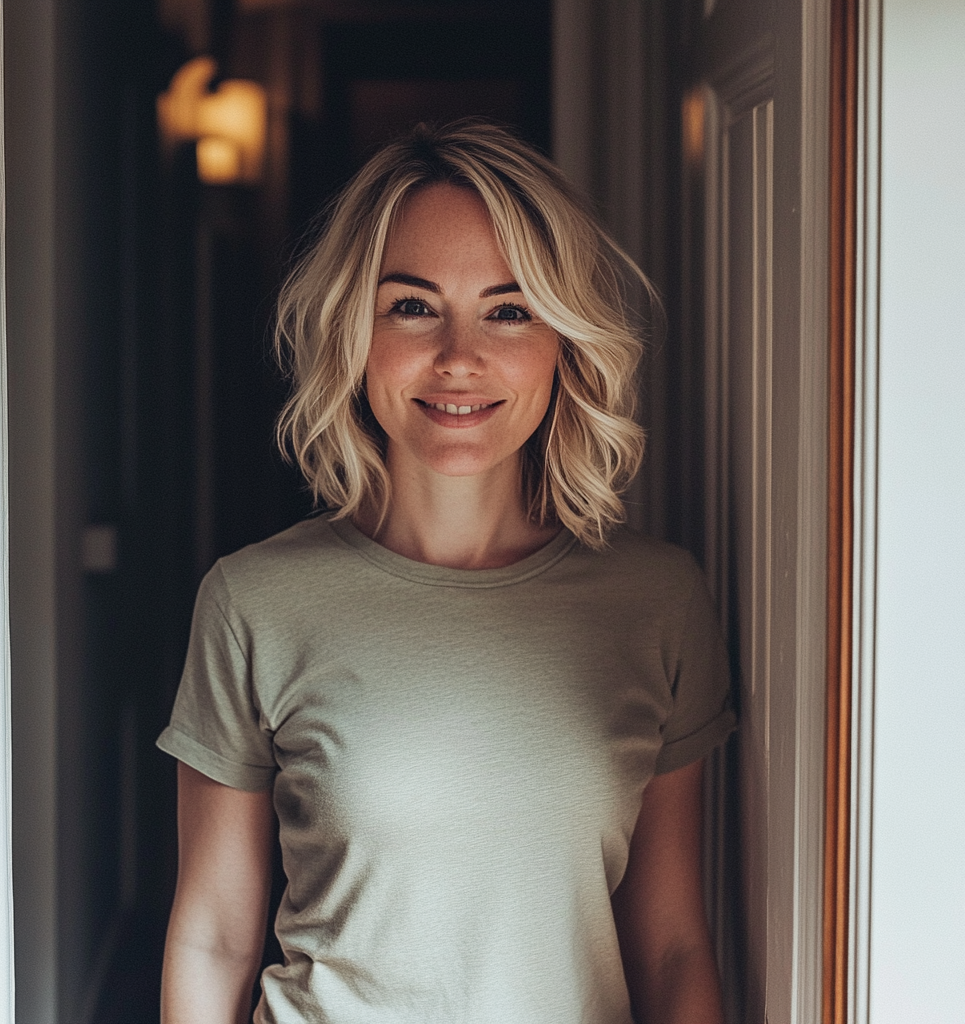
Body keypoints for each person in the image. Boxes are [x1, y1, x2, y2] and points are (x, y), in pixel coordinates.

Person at [158, 121, 734, 1024]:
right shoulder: (254, 600)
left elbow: (671, 946)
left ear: (563, 344)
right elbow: (214, 935)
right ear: (357, 332)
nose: (460, 357)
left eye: (509, 310)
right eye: (413, 306)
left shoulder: (658, 602)